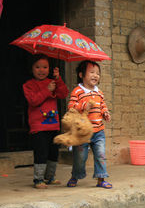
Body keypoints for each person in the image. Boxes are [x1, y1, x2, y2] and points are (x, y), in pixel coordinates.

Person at [23, 55, 69, 189]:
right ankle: (38, 179)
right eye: (37, 67)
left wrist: (58, 79)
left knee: (53, 152)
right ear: (32, 69)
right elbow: (33, 101)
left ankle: (50, 177)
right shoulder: (28, 85)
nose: (41, 70)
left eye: (45, 67)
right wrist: (47, 90)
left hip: (53, 125)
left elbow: (63, 94)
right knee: (41, 152)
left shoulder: (53, 82)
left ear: (49, 69)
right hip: (38, 127)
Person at [66, 60, 112, 189]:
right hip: (83, 132)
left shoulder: (99, 92)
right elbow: (71, 107)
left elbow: (102, 106)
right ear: (81, 75)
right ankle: (76, 175)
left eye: (98, 73)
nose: (95, 75)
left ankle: (101, 178)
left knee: (101, 154)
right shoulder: (77, 91)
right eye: (91, 72)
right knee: (80, 156)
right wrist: (82, 106)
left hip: (98, 131)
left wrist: (105, 113)